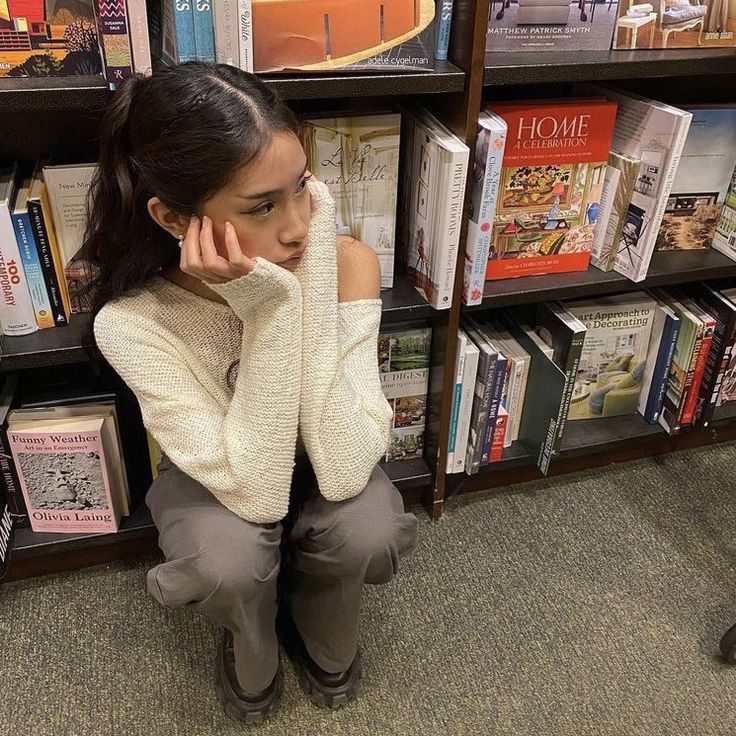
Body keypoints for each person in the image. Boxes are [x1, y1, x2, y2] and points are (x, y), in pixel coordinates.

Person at [80, 61, 418, 725]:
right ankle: (252, 648)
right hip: (218, 474)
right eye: (262, 206)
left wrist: (305, 285)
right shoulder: (134, 324)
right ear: (176, 219)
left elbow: (348, 465)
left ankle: (325, 630)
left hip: (324, 455)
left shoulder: (343, 259)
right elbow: (257, 490)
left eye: (301, 188)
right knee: (226, 562)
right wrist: (268, 311)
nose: (296, 225)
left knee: (370, 526)